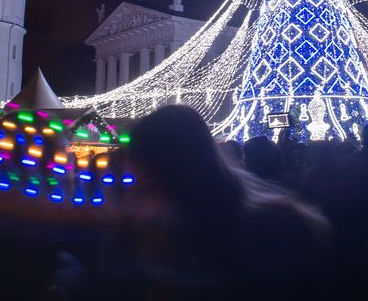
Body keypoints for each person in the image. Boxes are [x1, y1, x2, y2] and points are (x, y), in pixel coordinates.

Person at [124, 105, 329, 298]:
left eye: (149, 185)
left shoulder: (263, 232)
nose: (142, 201)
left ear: (172, 175)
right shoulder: (279, 218)